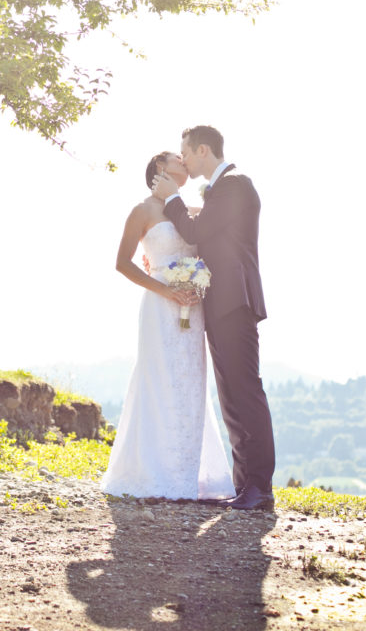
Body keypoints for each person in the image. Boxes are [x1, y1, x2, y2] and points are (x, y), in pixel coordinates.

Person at [151, 125, 276, 511]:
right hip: (220, 303)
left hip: (234, 301)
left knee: (245, 392)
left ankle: (260, 488)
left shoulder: (235, 185)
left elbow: (197, 229)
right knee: (231, 398)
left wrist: (171, 198)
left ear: (203, 150)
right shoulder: (222, 190)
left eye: (185, 152)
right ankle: (246, 487)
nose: (183, 160)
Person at [101, 151, 235, 501]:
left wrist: (194, 282)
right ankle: (153, 472)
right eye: (178, 157)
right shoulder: (142, 211)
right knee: (158, 378)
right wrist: (166, 289)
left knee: (190, 383)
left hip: (193, 305)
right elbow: (122, 263)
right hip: (160, 305)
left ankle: (188, 476)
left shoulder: (190, 212)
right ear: (161, 168)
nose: (184, 161)